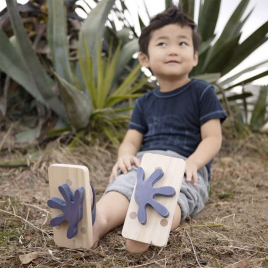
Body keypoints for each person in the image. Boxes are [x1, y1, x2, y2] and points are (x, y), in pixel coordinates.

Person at [91, 6, 227, 253]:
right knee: (124, 185)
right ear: (144, 58)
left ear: (195, 57)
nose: (173, 50)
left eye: (183, 44)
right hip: (146, 163)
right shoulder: (144, 102)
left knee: (178, 194)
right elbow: (131, 140)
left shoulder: (203, 92)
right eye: (163, 44)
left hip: (185, 166)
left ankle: (150, 229)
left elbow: (212, 138)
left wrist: (194, 163)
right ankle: (96, 222)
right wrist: (124, 157)